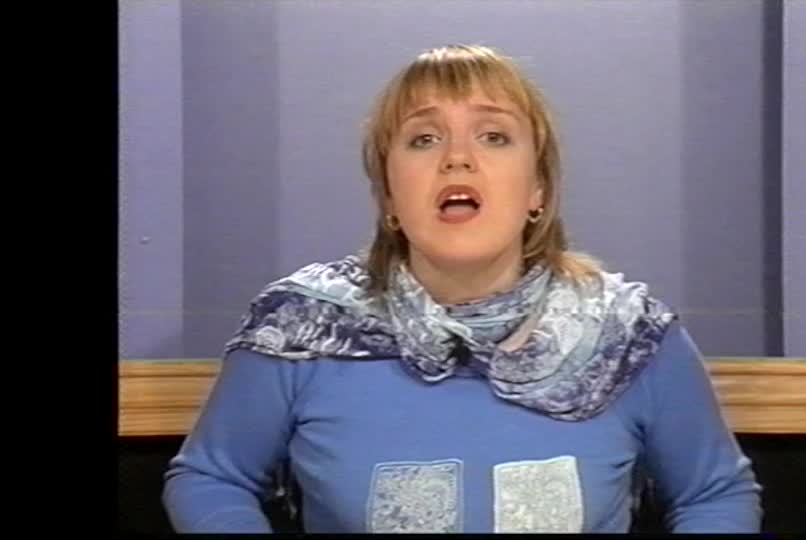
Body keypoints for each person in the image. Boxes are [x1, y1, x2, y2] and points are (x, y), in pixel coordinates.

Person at [161, 44, 763, 534]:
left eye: (493, 136)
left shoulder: (631, 336)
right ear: (389, 196)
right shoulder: (301, 328)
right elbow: (211, 479)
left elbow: (714, 495)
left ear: (538, 191)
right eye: (423, 139)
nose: (457, 158)